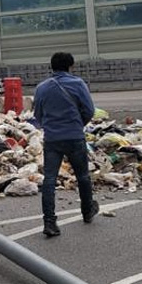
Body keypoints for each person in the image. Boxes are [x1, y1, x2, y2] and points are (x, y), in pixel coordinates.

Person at [33, 52, 99, 237]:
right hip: (74, 137)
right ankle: (87, 211)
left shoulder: (42, 87)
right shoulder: (78, 84)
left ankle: (49, 222)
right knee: (83, 176)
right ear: (71, 66)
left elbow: (37, 114)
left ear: (52, 67)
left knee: (49, 180)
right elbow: (89, 111)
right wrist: (78, 125)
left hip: (52, 140)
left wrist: (50, 126)